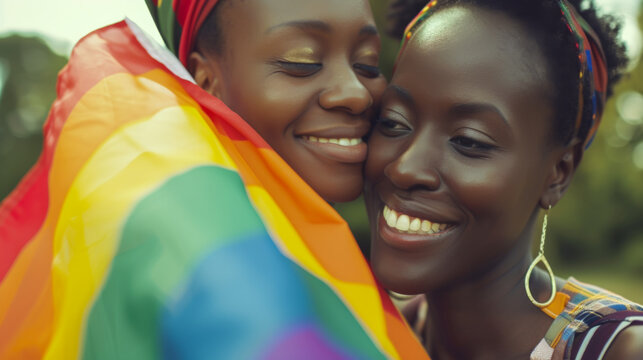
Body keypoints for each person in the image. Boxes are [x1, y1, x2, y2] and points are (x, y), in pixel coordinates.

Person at [0, 0, 427, 358]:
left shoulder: (374, 297)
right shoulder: (198, 276)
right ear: (207, 80)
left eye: (368, 63)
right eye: (303, 61)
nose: (355, 92)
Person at [364, 0, 643, 358]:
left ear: (558, 173)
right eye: (393, 122)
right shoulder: (373, 337)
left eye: (468, 141)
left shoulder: (619, 350)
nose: (405, 168)